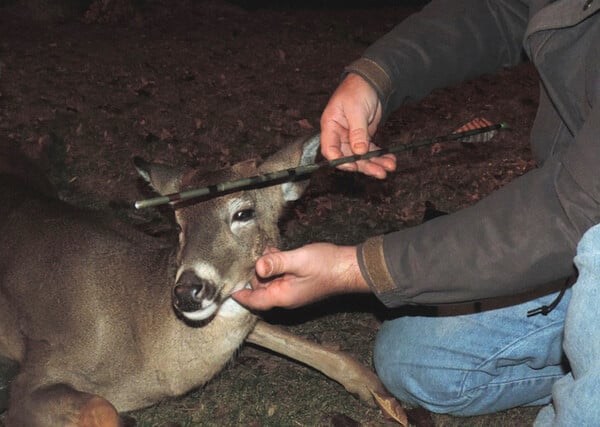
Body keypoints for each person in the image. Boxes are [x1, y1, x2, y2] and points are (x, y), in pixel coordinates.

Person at [234, 0, 600, 423]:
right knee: (414, 361)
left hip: (586, 223)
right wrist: (376, 77)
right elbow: (502, 7)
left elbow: (569, 206)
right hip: (577, 226)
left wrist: (355, 268)